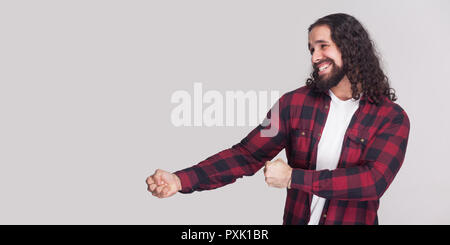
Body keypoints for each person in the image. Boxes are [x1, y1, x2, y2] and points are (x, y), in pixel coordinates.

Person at [146, 13, 410, 225]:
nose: (315, 57)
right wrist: (181, 180)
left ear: (351, 48)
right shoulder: (293, 104)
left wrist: (294, 178)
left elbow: (372, 181)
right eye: (311, 49)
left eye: (323, 46)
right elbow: (246, 154)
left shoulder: (391, 118)